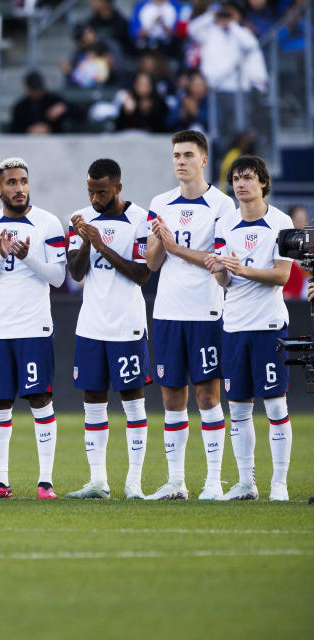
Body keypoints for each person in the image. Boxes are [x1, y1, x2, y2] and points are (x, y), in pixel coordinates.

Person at [145, 129, 237, 500]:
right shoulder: (160, 201)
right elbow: (152, 263)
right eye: (175, 156)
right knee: (171, 400)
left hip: (206, 311)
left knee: (208, 397)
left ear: (203, 159)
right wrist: (158, 240)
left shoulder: (222, 205)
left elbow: (219, 264)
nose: (180, 162)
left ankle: (213, 481)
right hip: (167, 311)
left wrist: (175, 246)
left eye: (187, 155)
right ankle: (176, 482)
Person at [0, 157, 66, 500]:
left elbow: (58, 277)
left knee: (40, 398)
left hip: (34, 327)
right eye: (11, 183)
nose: (19, 188)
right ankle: (0, 482)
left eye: (23, 181)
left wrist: (26, 258)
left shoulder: (48, 223)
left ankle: (45, 482)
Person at [63, 159, 152, 500]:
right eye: (90, 191)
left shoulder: (140, 219)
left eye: (101, 192)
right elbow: (76, 272)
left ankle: (134, 483)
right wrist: (85, 240)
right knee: (93, 401)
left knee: (132, 401)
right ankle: (98, 481)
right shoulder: (82, 218)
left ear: (117, 187)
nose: (95, 198)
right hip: (91, 324)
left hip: (127, 324)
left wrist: (101, 243)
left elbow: (142, 274)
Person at [206, 156, 294, 501]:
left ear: (263, 183)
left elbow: (282, 276)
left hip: (269, 325)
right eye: (236, 178)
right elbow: (225, 279)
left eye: (247, 178)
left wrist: (243, 271)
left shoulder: (281, 222)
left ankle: (279, 483)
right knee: (238, 408)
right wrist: (219, 269)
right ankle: (246, 483)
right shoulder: (225, 223)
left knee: (275, 406)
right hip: (234, 325)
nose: (240, 184)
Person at [283, 205, 310, 299]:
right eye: (298, 220)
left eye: (304, 220)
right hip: (288, 291)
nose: (302, 224)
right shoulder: (283, 242)